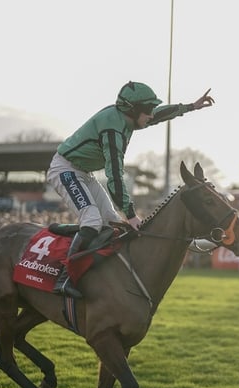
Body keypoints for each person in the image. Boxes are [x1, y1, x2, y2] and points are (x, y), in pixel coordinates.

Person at [46, 81, 215, 298]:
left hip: (84, 173)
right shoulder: (112, 131)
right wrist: (132, 214)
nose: (151, 115)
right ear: (133, 110)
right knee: (92, 221)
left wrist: (191, 106)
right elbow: (115, 177)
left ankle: (66, 233)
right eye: (147, 111)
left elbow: (158, 114)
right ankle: (64, 278)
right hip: (65, 170)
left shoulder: (129, 117)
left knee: (111, 222)